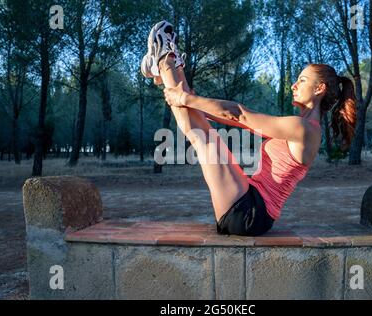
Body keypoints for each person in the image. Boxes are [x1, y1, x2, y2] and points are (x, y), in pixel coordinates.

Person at [141, 21, 357, 236]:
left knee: (203, 137)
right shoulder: (300, 127)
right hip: (250, 205)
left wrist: (187, 98)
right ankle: (169, 62)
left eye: (302, 80)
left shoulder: (304, 129)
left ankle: (165, 61)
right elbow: (239, 121)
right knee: (196, 121)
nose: (294, 85)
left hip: (250, 214)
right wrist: (194, 103)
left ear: (319, 89)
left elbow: (239, 113)